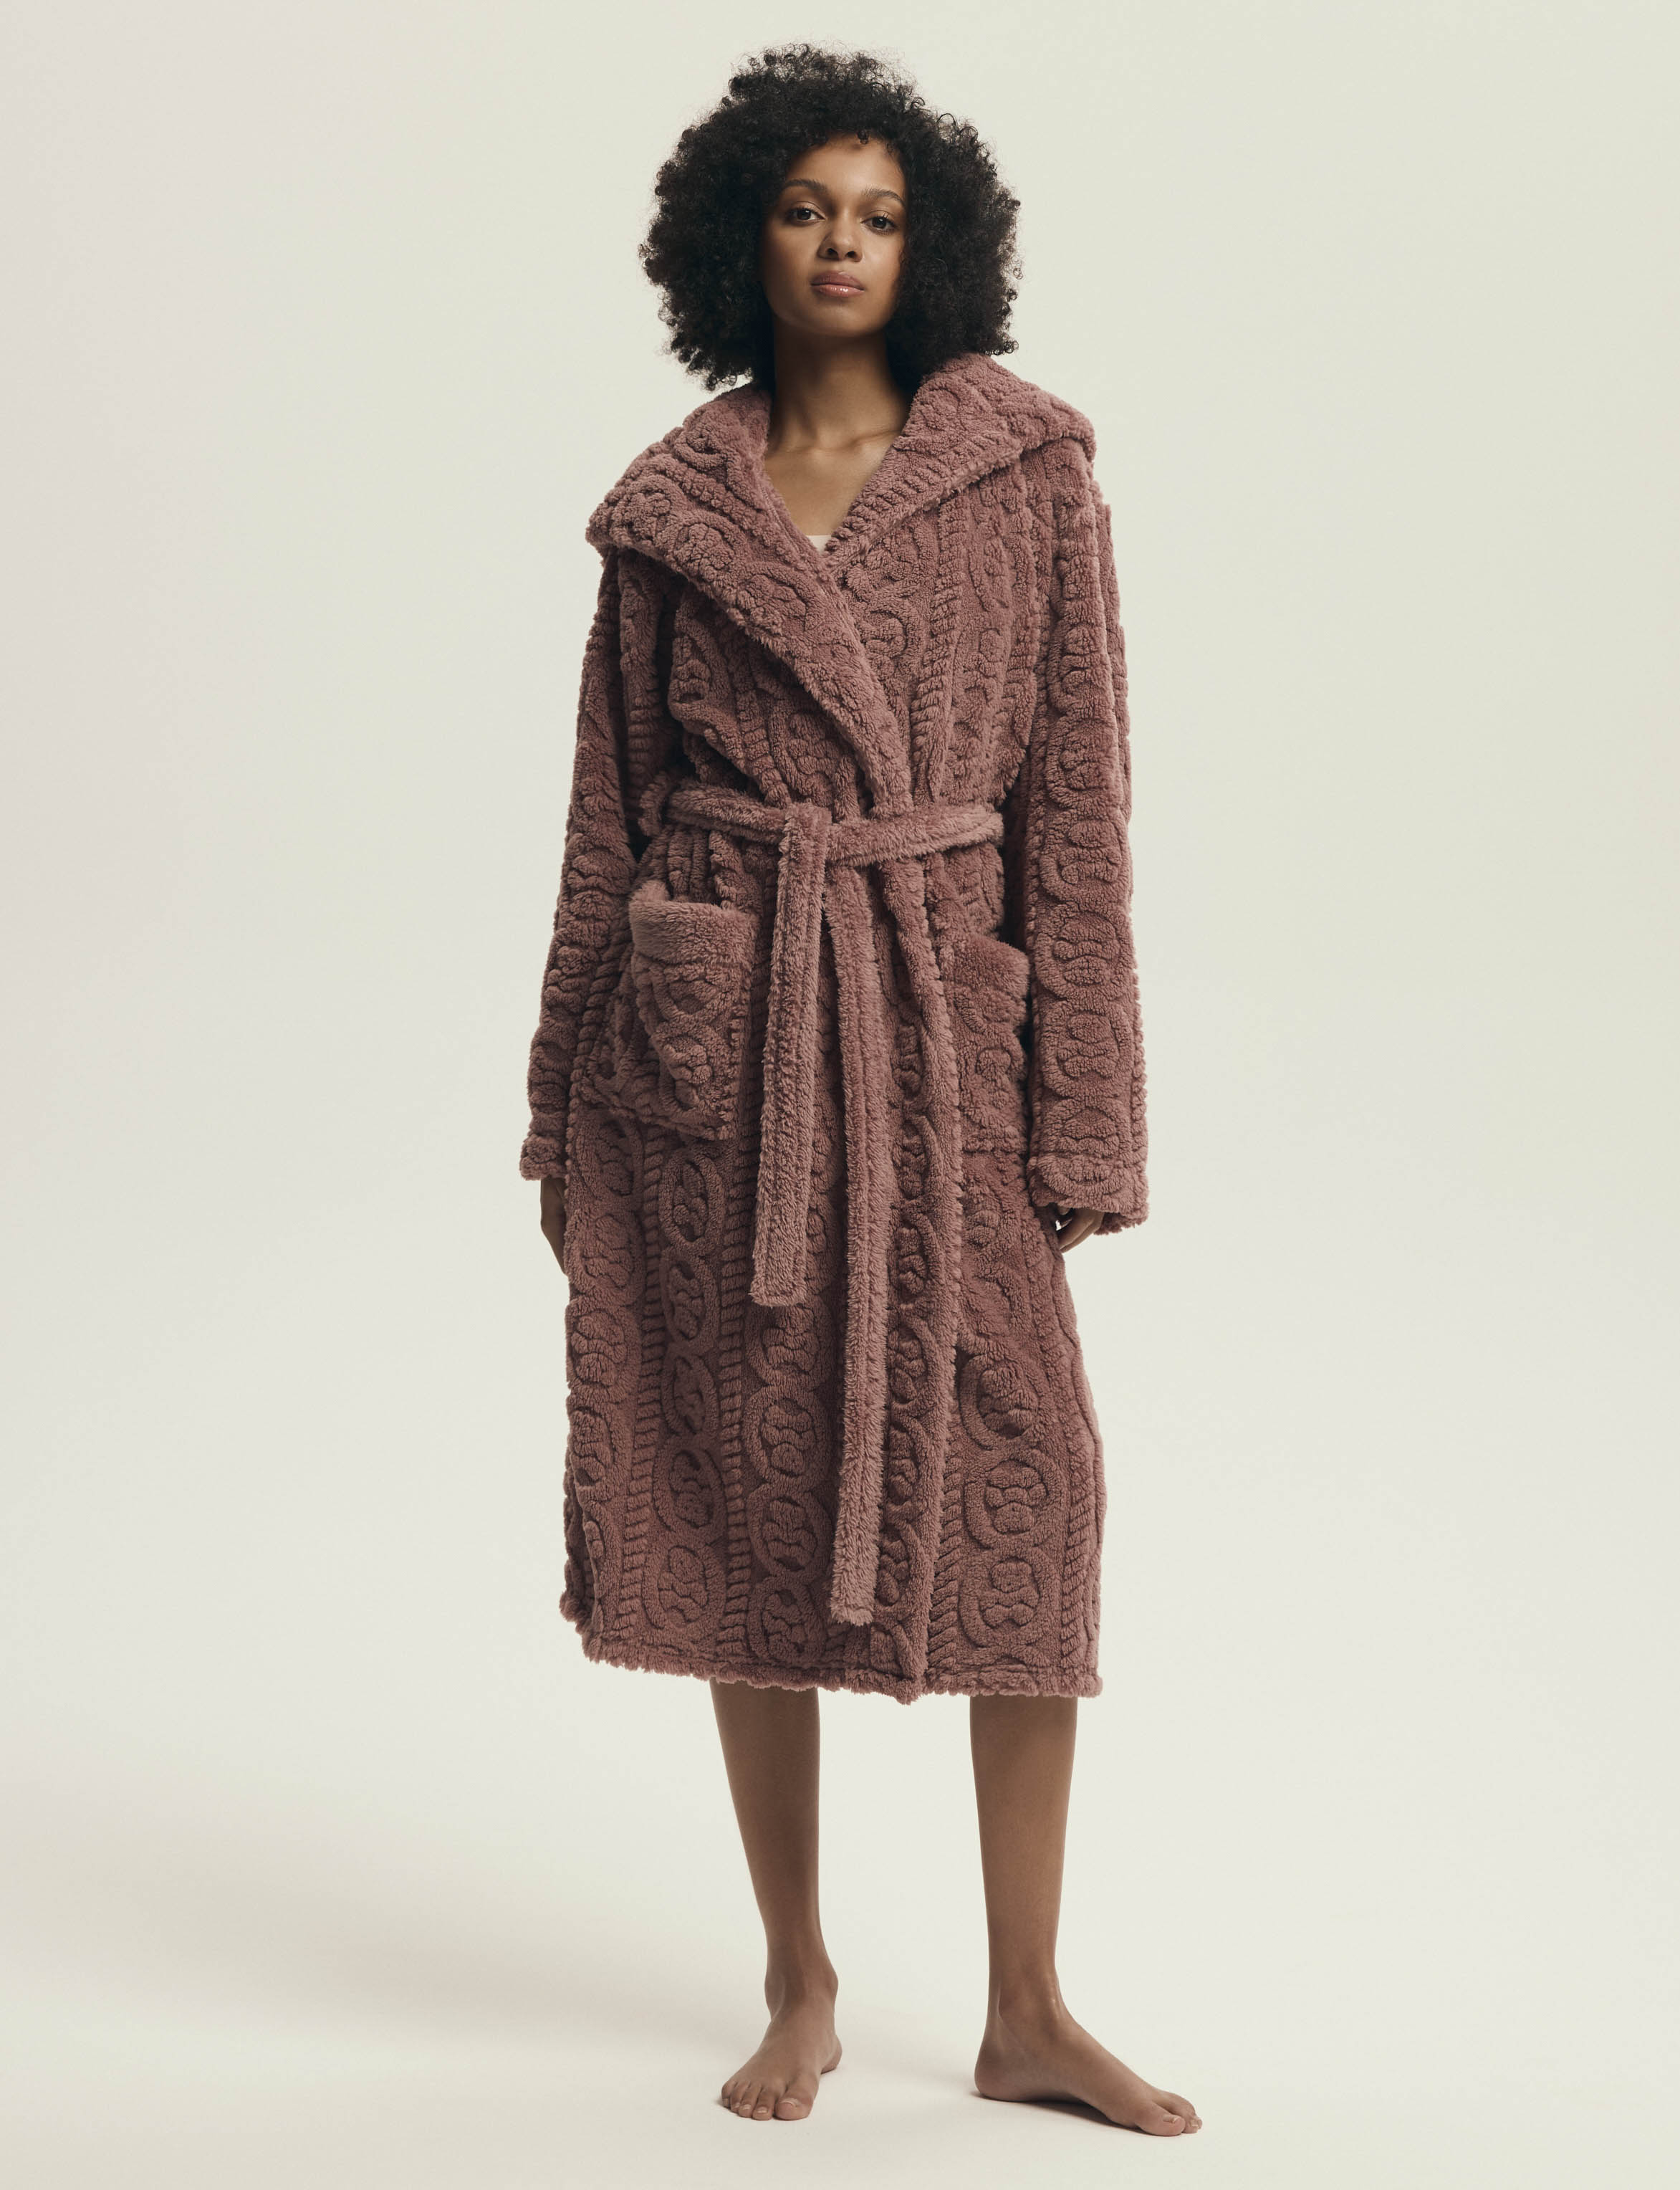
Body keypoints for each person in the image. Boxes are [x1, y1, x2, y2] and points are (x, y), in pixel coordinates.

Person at [519, 42, 1199, 2136]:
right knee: (738, 1482)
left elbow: (1076, 807)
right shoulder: (672, 512)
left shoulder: (1025, 475)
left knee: (1035, 1496)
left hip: (937, 1031)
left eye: (880, 214)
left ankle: (1029, 2004)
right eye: (808, 209)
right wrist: (562, 1099)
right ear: (742, 237)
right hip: (718, 1062)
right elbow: (610, 816)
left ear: (936, 245)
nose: (841, 243)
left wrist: (1085, 1107)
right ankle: (798, 1975)